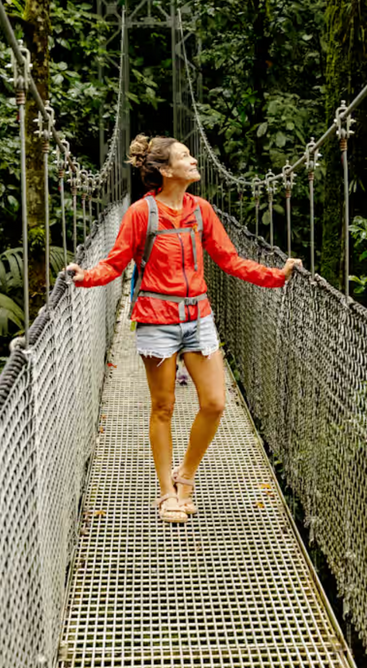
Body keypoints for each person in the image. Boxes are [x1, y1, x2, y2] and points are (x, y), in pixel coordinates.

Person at [66, 134, 299, 524]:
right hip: (156, 320)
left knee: (214, 402)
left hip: (198, 318)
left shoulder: (202, 210)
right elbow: (115, 262)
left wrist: (276, 277)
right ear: (164, 170)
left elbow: (230, 259)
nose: (194, 162)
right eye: (186, 157)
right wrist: (84, 276)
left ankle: (185, 477)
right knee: (163, 406)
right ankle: (167, 493)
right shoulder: (141, 213)